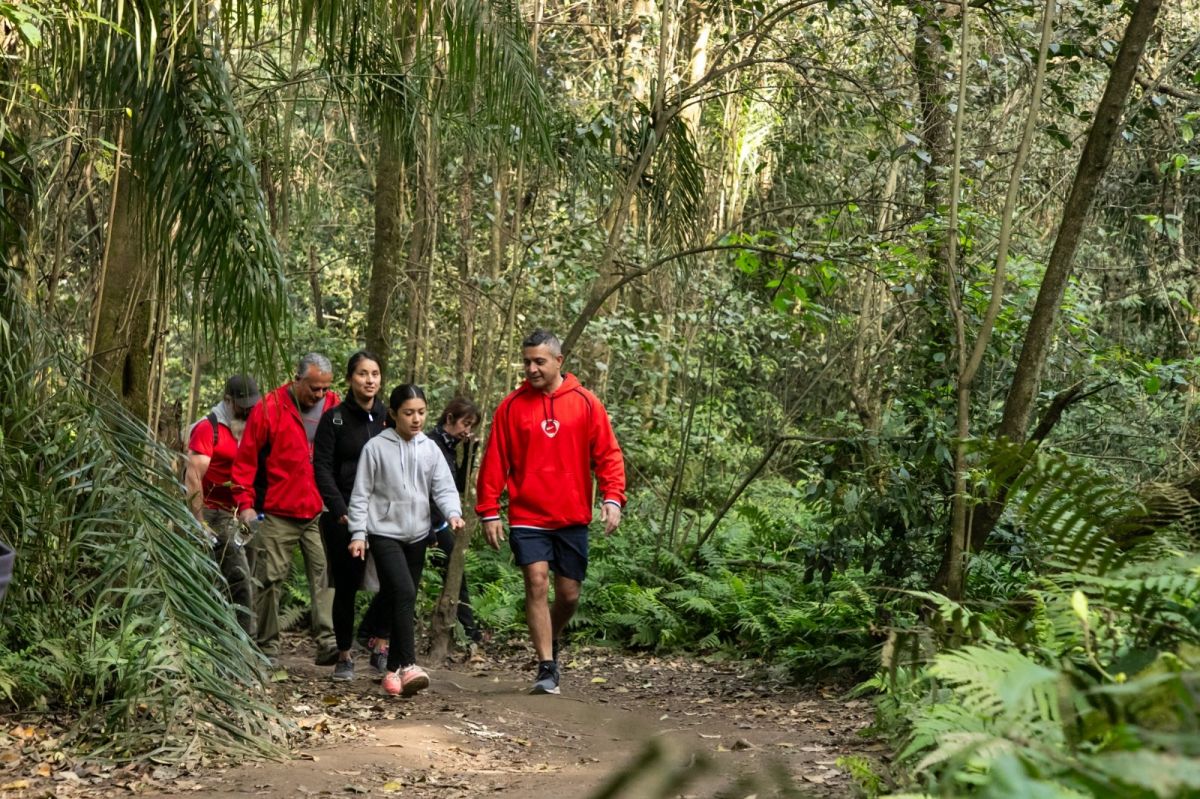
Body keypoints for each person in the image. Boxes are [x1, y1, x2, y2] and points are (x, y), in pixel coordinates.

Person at [476, 329, 625, 695]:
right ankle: (546, 668)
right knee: (537, 582)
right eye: (526, 361)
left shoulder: (587, 403)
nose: (531, 368)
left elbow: (608, 454)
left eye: (539, 361)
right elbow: (495, 462)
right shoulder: (510, 407)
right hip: (528, 515)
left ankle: (550, 639)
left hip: (572, 515)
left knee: (569, 595)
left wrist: (612, 497)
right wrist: (489, 510)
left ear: (559, 361)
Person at [347, 384, 464, 697]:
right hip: (383, 533)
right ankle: (410, 664)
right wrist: (358, 533)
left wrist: (453, 513)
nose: (416, 419)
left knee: (403, 598)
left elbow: (443, 487)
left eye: (421, 413)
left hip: (417, 534)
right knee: (403, 589)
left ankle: (392, 673)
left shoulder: (429, 449)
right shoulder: (376, 448)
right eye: (409, 413)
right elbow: (361, 494)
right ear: (393, 414)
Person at [232, 353, 340, 665]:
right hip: (278, 511)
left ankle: (328, 642)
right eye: (314, 388)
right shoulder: (269, 407)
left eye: (324, 389)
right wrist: (245, 505)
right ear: (298, 380)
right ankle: (268, 647)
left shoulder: (334, 407)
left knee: (325, 577)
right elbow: (246, 460)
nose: (319, 395)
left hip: (319, 510)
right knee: (269, 580)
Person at [313, 351, 391, 681]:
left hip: (384, 515)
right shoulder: (334, 419)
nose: (369, 380)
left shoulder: (389, 417)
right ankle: (344, 655)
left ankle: (381, 645)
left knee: (392, 582)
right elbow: (322, 468)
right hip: (342, 516)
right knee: (346, 586)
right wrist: (342, 510)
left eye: (374, 374)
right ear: (350, 379)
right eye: (362, 374)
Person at [183, 374, 261, 636]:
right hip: (213, 512)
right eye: (243, 405)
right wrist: (200, 522)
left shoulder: (250, 426)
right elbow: (193, 477)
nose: (249, 410)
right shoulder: (209, 428)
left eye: (252, 404)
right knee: (238, 576)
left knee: (240, 577)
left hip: (241, 514)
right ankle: (244, 643)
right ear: (228, 400)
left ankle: (226, 637)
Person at [427, 398, 483, 645]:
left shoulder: (450, 446)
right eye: (465, 423)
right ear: (449, 418)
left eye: (471, 426)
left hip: (439, 522)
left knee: (455, 572)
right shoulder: (430, 443)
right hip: (427, 523)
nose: (467, 431)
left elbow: (456, 486)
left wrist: (470, 455)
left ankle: (469, 631)